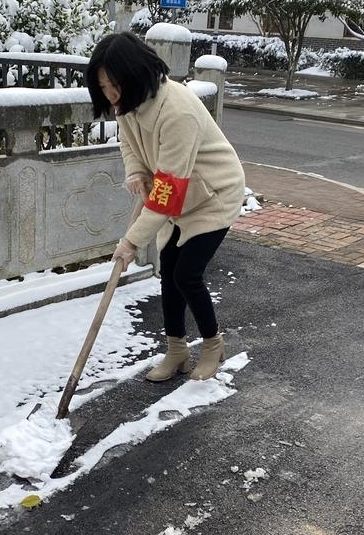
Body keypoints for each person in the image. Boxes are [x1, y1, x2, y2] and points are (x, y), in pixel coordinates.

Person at [86, 32, 245, 382]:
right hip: (178, 198)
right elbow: (128, 143)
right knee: (169, 274)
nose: (111, 96)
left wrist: (130, 243)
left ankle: (212, 346)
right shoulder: (127, 103)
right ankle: (176, 352)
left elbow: (166, 195)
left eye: (114, 85)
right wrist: (136, 172)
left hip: (213, 196)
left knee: (186, 274)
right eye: (104, 88)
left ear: (135, 73)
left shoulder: (177, 112)